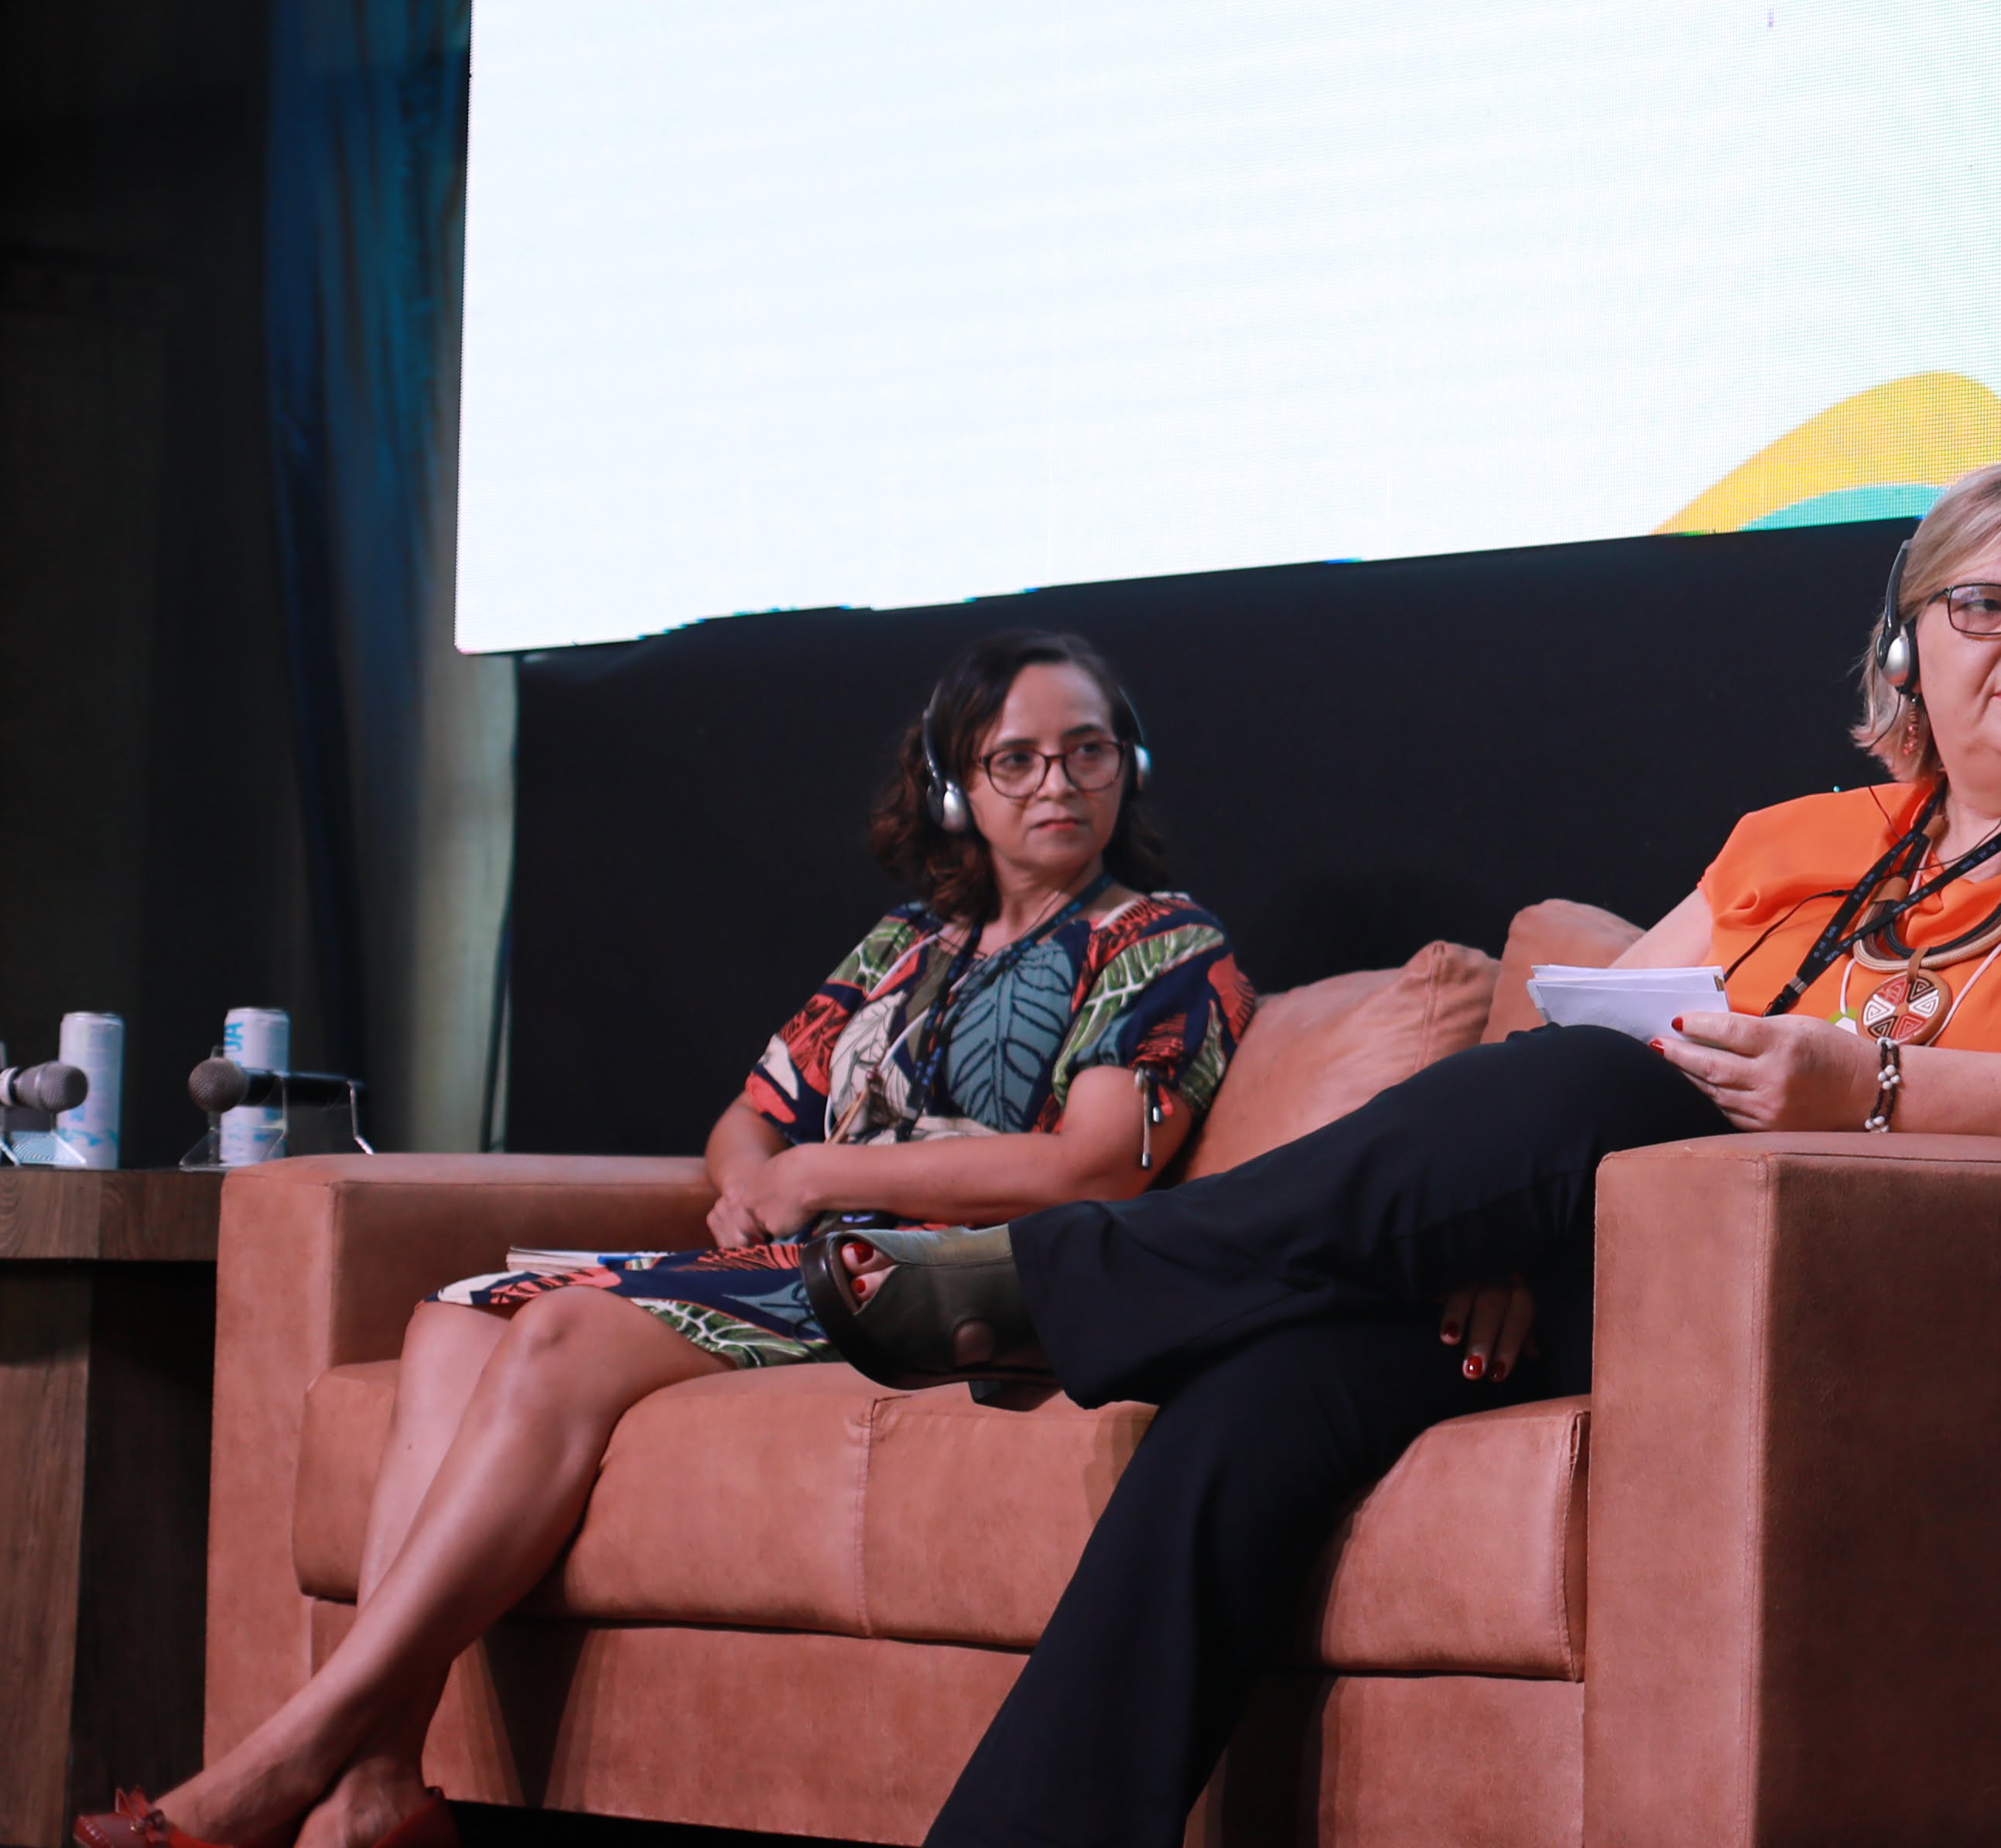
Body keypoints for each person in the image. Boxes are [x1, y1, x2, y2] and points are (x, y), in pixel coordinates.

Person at [837, 460, 2001, 1848]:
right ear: (1907, 649)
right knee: (1256, 1408)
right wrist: (1492, 1240)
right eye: (1981, 605)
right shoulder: (1794, 843)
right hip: (1645, 1282)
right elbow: (1585, 1035)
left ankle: (1066, 1279)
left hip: (1901, 1290)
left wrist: (1868, 1085)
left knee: (1593, 1088)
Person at [89, 633, 1247, 1848]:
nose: (1058, 784)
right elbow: (743, 1121)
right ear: (956, 785)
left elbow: (1094, 1164)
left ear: (1131, 767)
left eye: (1087, 752)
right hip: (795, 1258)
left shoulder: (1162, 942)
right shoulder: (906, 947)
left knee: (563, 1336)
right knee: (456, 1312)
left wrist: (822, 1172)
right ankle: (376, 1777)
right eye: (1016, 759)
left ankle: (295, 1754)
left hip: (940, 1276)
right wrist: (755, 1181)